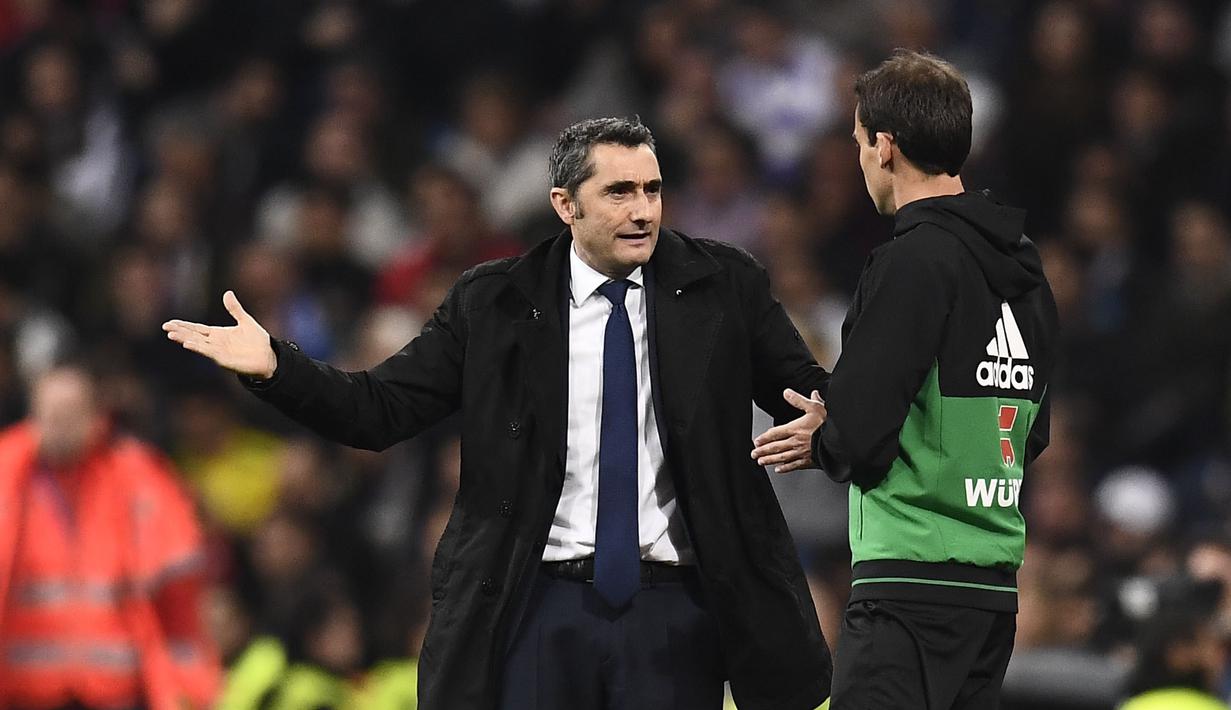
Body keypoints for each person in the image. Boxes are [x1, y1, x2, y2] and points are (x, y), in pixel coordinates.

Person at [164, 116, 832, 710]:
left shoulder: (722, 287)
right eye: (618, 192)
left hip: (675, 608)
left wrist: (826, 422)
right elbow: (380, 410)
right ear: (564, 205)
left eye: (652, 190)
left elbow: (808, 392)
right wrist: (278, 366)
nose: (643, 211)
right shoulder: (493, 303)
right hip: (537, 603)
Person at [760, 50, 1058, 707]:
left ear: (885, 145)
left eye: (858, 141)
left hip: (907, 589)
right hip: (991, 593)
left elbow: (860, 431)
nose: (859, 157)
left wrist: (824, 435)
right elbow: (1032, 433)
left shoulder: (911, 260)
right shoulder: (1026, 271)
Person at [0, 363, 221, 710]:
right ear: (33, 415)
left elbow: (178, 585)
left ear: (95, 415)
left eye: (70, 411)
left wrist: (185, 680)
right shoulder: (7, 477)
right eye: (51, 412)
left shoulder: (136, 480)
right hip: (25, 691)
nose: (59, 423)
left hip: (117, 690)